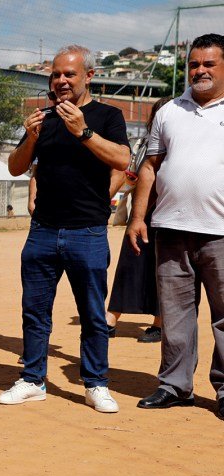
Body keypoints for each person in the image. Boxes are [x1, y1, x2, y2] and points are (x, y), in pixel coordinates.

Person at [0, 45, 130, 413]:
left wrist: (84, 131)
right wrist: (31, 137)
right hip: (42, 230)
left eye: (69, 74)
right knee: (35, 310)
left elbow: (123, 159)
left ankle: (95, 383)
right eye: (56, 75)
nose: (61, 81)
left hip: (86, 232)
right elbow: (14, 167)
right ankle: (32, 379)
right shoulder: (43, 118)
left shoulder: (107, 115)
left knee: (91, 313)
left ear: (88, 76)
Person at [128, 34, 224, 419]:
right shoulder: (169, 111)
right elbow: (149, 166)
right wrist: (137, 217)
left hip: (220, 231)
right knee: (176, 313)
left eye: (209, 64)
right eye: (194, 64)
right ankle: (175, 385)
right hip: (170, 228)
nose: (199, 70)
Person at [106, 97, 172, 343]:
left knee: (164, 269)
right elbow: (134, 174)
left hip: (168, 213)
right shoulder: (144, 142)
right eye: (158, 114)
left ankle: (159, 323)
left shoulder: (179, 141)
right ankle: (111, 318)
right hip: (142, 212)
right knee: (129, 261)